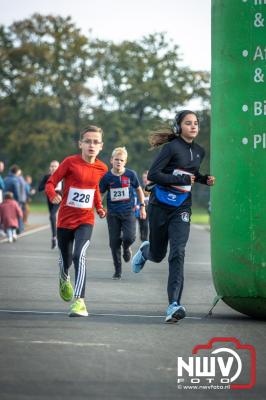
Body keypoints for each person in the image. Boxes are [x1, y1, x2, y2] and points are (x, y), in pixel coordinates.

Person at [131, 110, 215, 323]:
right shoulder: (171, 148)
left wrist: (204, 180)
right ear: (179, 127)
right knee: (158, 255)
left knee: (178, 252)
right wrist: (177, 179)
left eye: (196, 123)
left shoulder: (199, 151)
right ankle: (146, 250)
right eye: (188, 123)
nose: (194, 126)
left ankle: (173, 305)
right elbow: (153, 175)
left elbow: (192, 176)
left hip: (182, 208)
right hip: (160, 206)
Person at [45, 125, 108, 317]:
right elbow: (51, 182)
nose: (91, 145)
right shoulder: (70, 162)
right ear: (80, 144)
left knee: (79, 255)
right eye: (87, 141)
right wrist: (51, 194)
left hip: (85, 220)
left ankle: (80, 301)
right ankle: (64, 277)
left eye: (95, 142)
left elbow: (95, 188)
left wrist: (98, 207)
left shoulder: (102, 168)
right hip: (64, 221)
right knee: (66, 260)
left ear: (101, 146)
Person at [100, 147, 146, 280]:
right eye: (116, 160)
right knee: (114, 242)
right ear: (111, 160)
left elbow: (139, 190)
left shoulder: (131, 174)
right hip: (113, 214)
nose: (119, 162)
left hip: (128, 212)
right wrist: (99, 207)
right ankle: (118, 270)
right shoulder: (107, 177)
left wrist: (142, 207)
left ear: (125, 162)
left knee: (129, 237)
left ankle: (126, 248)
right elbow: (101, 193)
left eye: (121, 160)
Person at [38, 161, 62, 249]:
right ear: (49, 168)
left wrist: (60, 194)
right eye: (52, 166)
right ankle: (54, 237)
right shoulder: (47, 177)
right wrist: (49, 186)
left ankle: (59, 237)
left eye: (55, 166)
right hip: (50, 199)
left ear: (59, 167)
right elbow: (39, 188)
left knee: (53, 216)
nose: (53, 168)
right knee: (52, 217)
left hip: (60, 199)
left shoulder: (63, 176)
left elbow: (67, 187)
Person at [135, 170, 150, 242]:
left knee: (146, 224)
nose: (145, 179)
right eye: (144, 177)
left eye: (147, 177)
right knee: (142, 225)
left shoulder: (154, 187)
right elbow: (136, 198)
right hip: (141, 208)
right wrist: (137, 205)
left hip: (150, 209)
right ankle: (142, 238)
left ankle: (146, 239)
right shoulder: (139, 188)